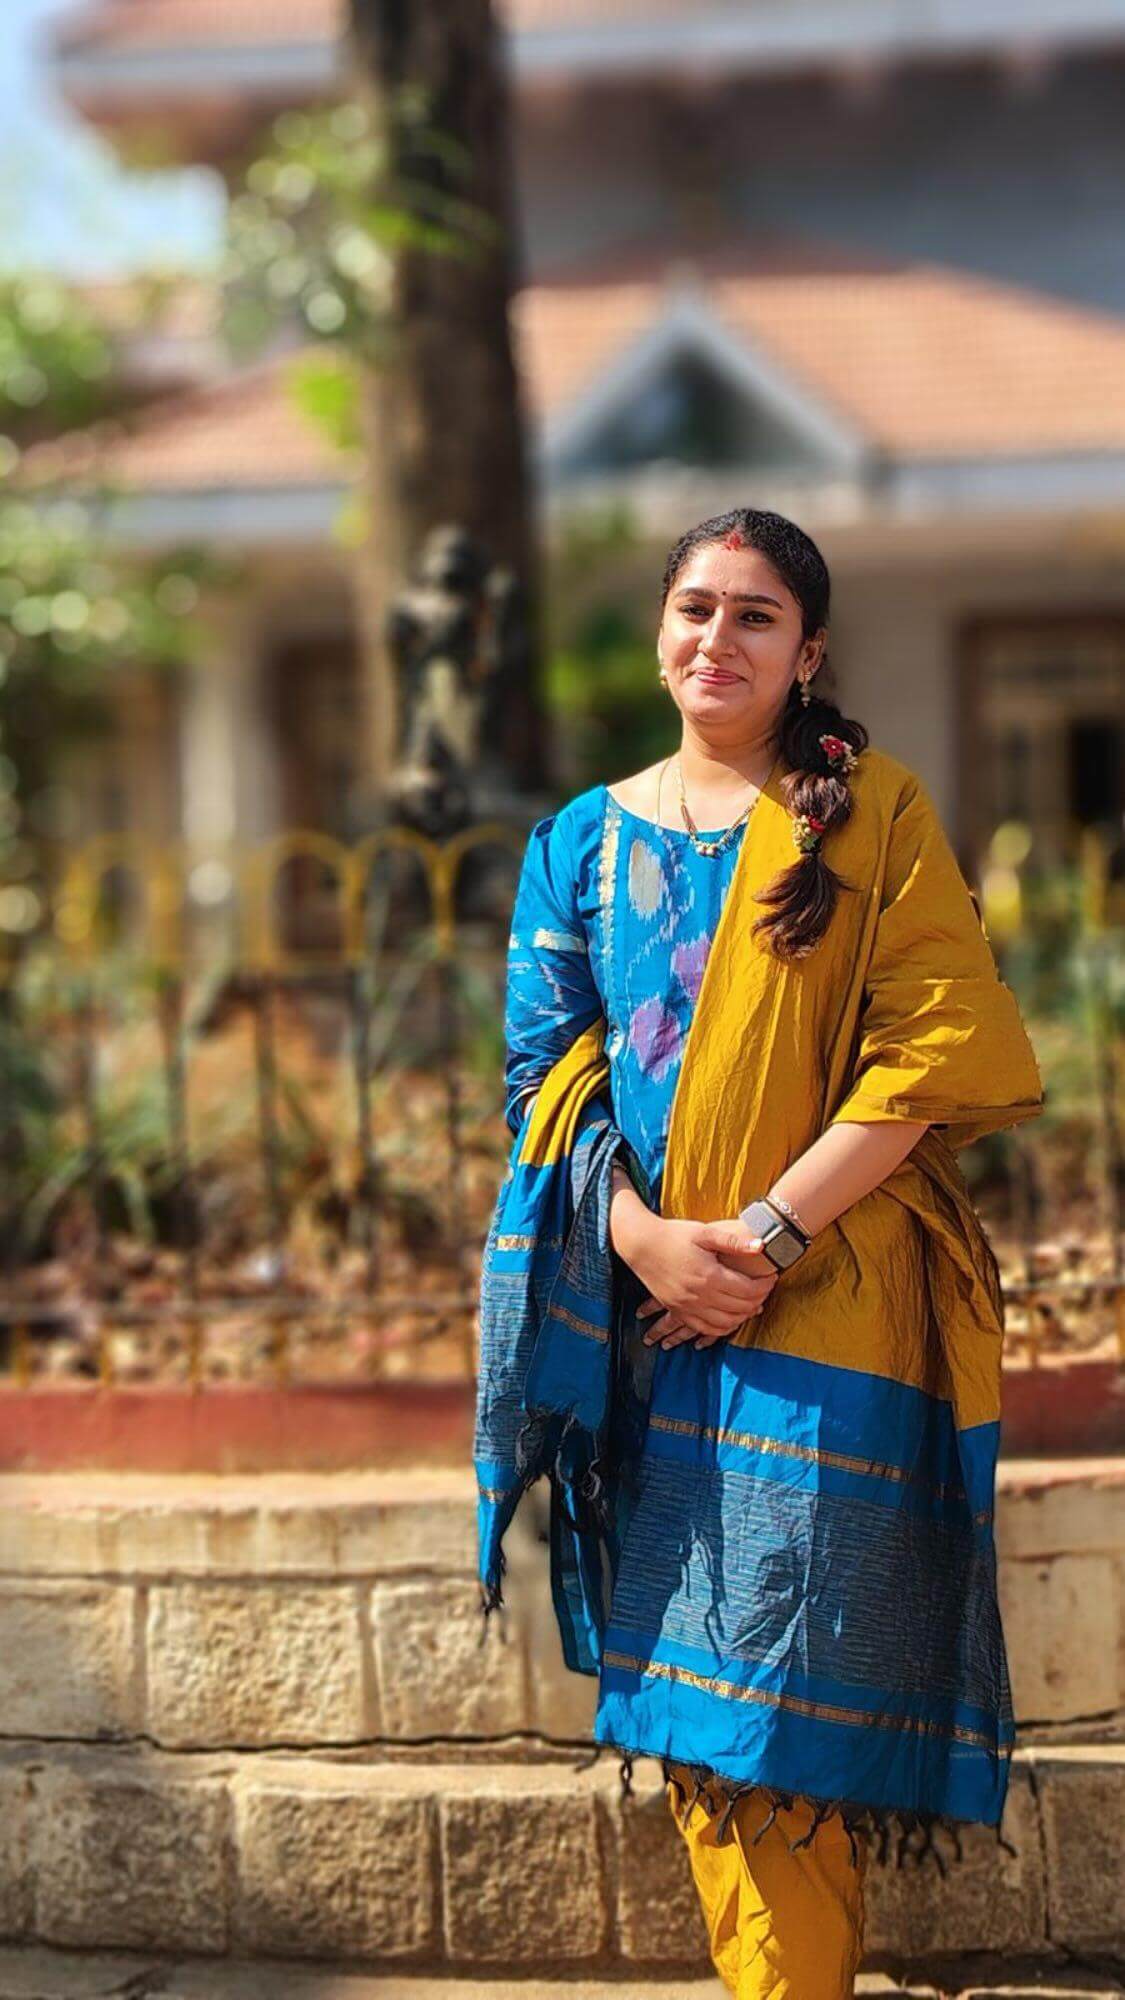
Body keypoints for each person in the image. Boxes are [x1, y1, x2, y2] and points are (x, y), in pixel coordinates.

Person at [474, 507, 1044, 1999]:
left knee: (771, 1697)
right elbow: (544, 1081)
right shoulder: (579, 843)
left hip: (834, 1298)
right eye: (694, 608)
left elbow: (932, 1053)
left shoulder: (871, 815)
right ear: (660, 632)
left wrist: (767, 1235)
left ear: (809, 652)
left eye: (755, 615)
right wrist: (649, 1244)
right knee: (696, 1701)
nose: (716, 639)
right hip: (648, 1313)